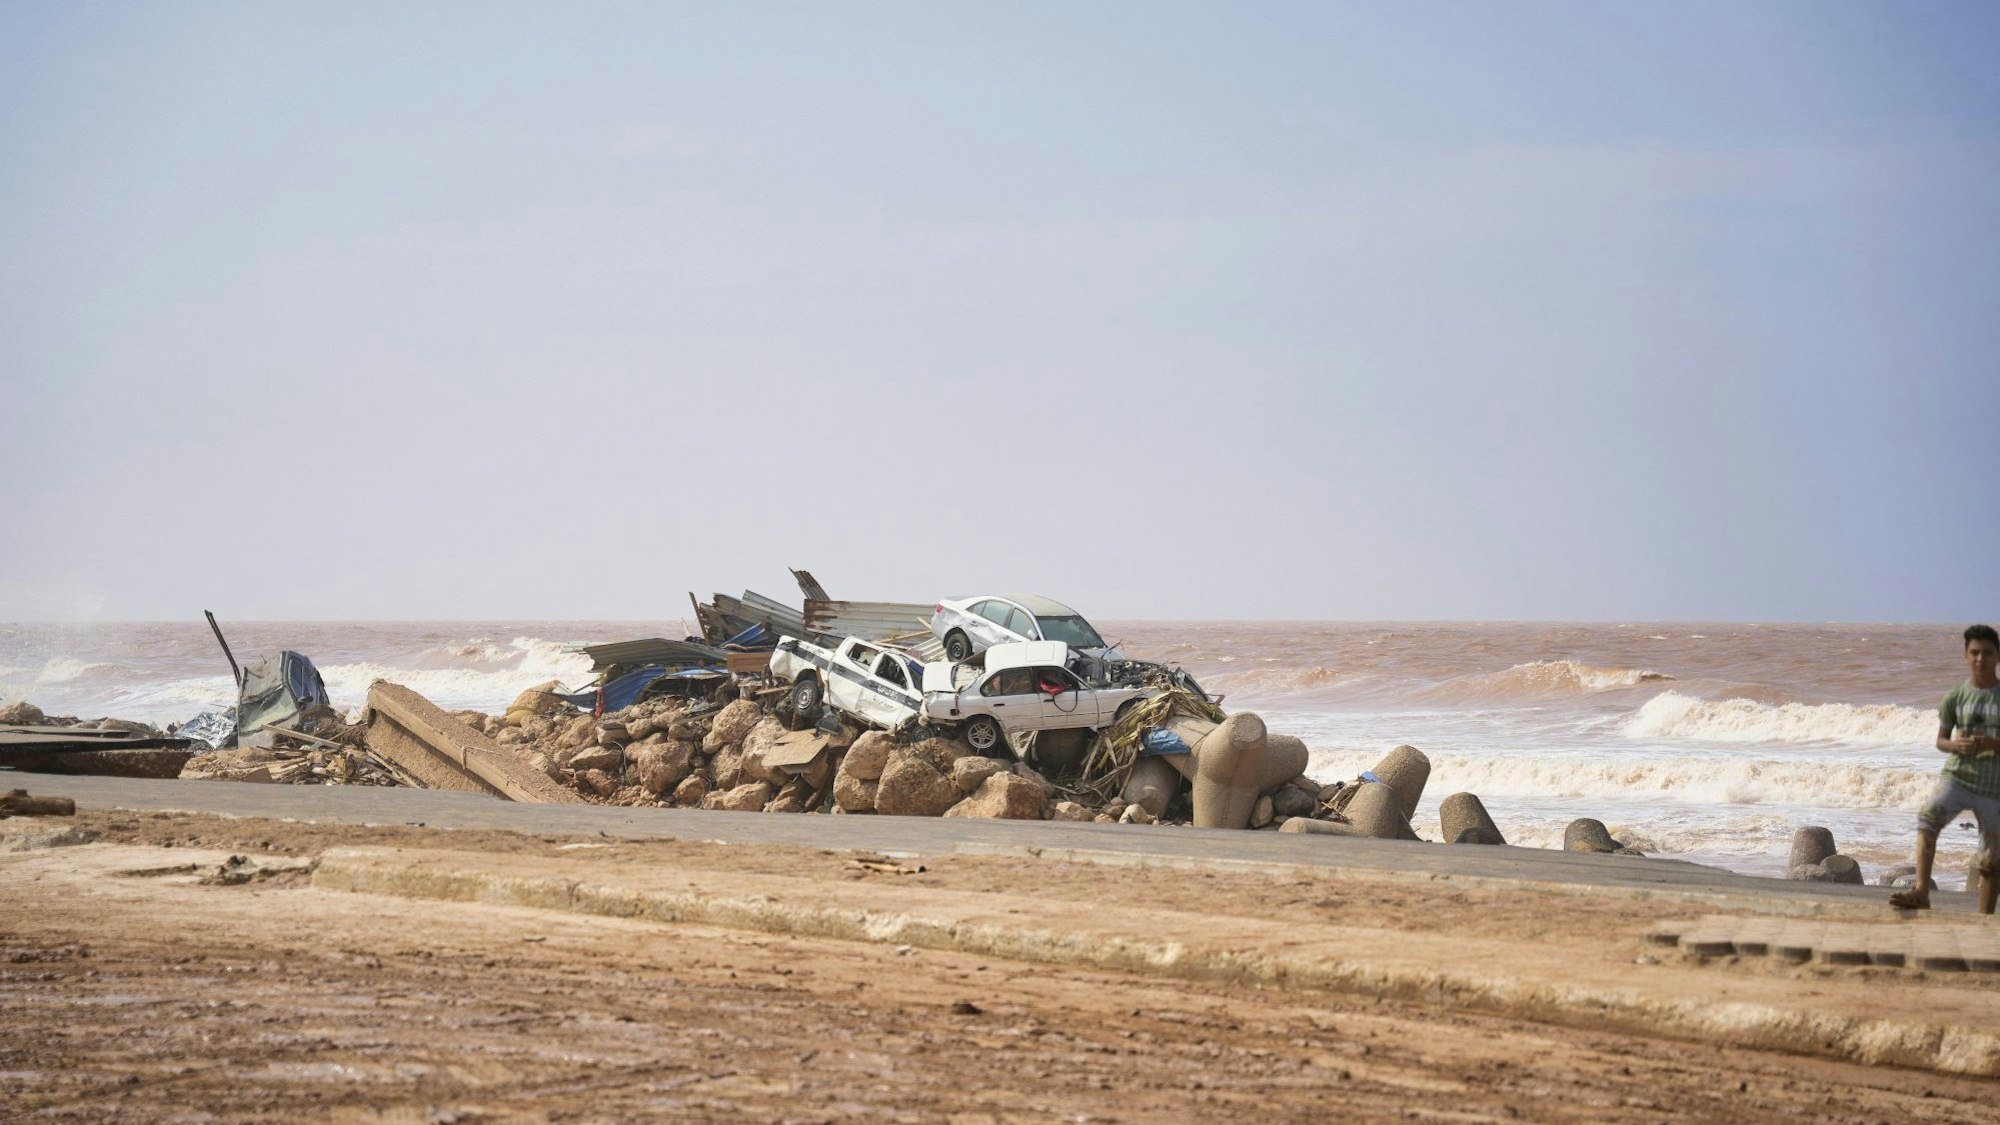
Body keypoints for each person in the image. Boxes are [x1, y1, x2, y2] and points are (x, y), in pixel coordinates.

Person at [1890, 624, 2000, 912]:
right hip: (1958, 777)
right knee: (1928, 818)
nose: (1980, 659)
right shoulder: (1955, 697)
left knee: (1991, 858)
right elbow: (1941, 740)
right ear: (1966, 655)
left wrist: (1992, 743)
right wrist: (1957, 746)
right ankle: (1921, 891)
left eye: (1987, 653)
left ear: (1997, 657)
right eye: (1974, 652)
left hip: (1994, 787)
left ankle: (1984, 918)